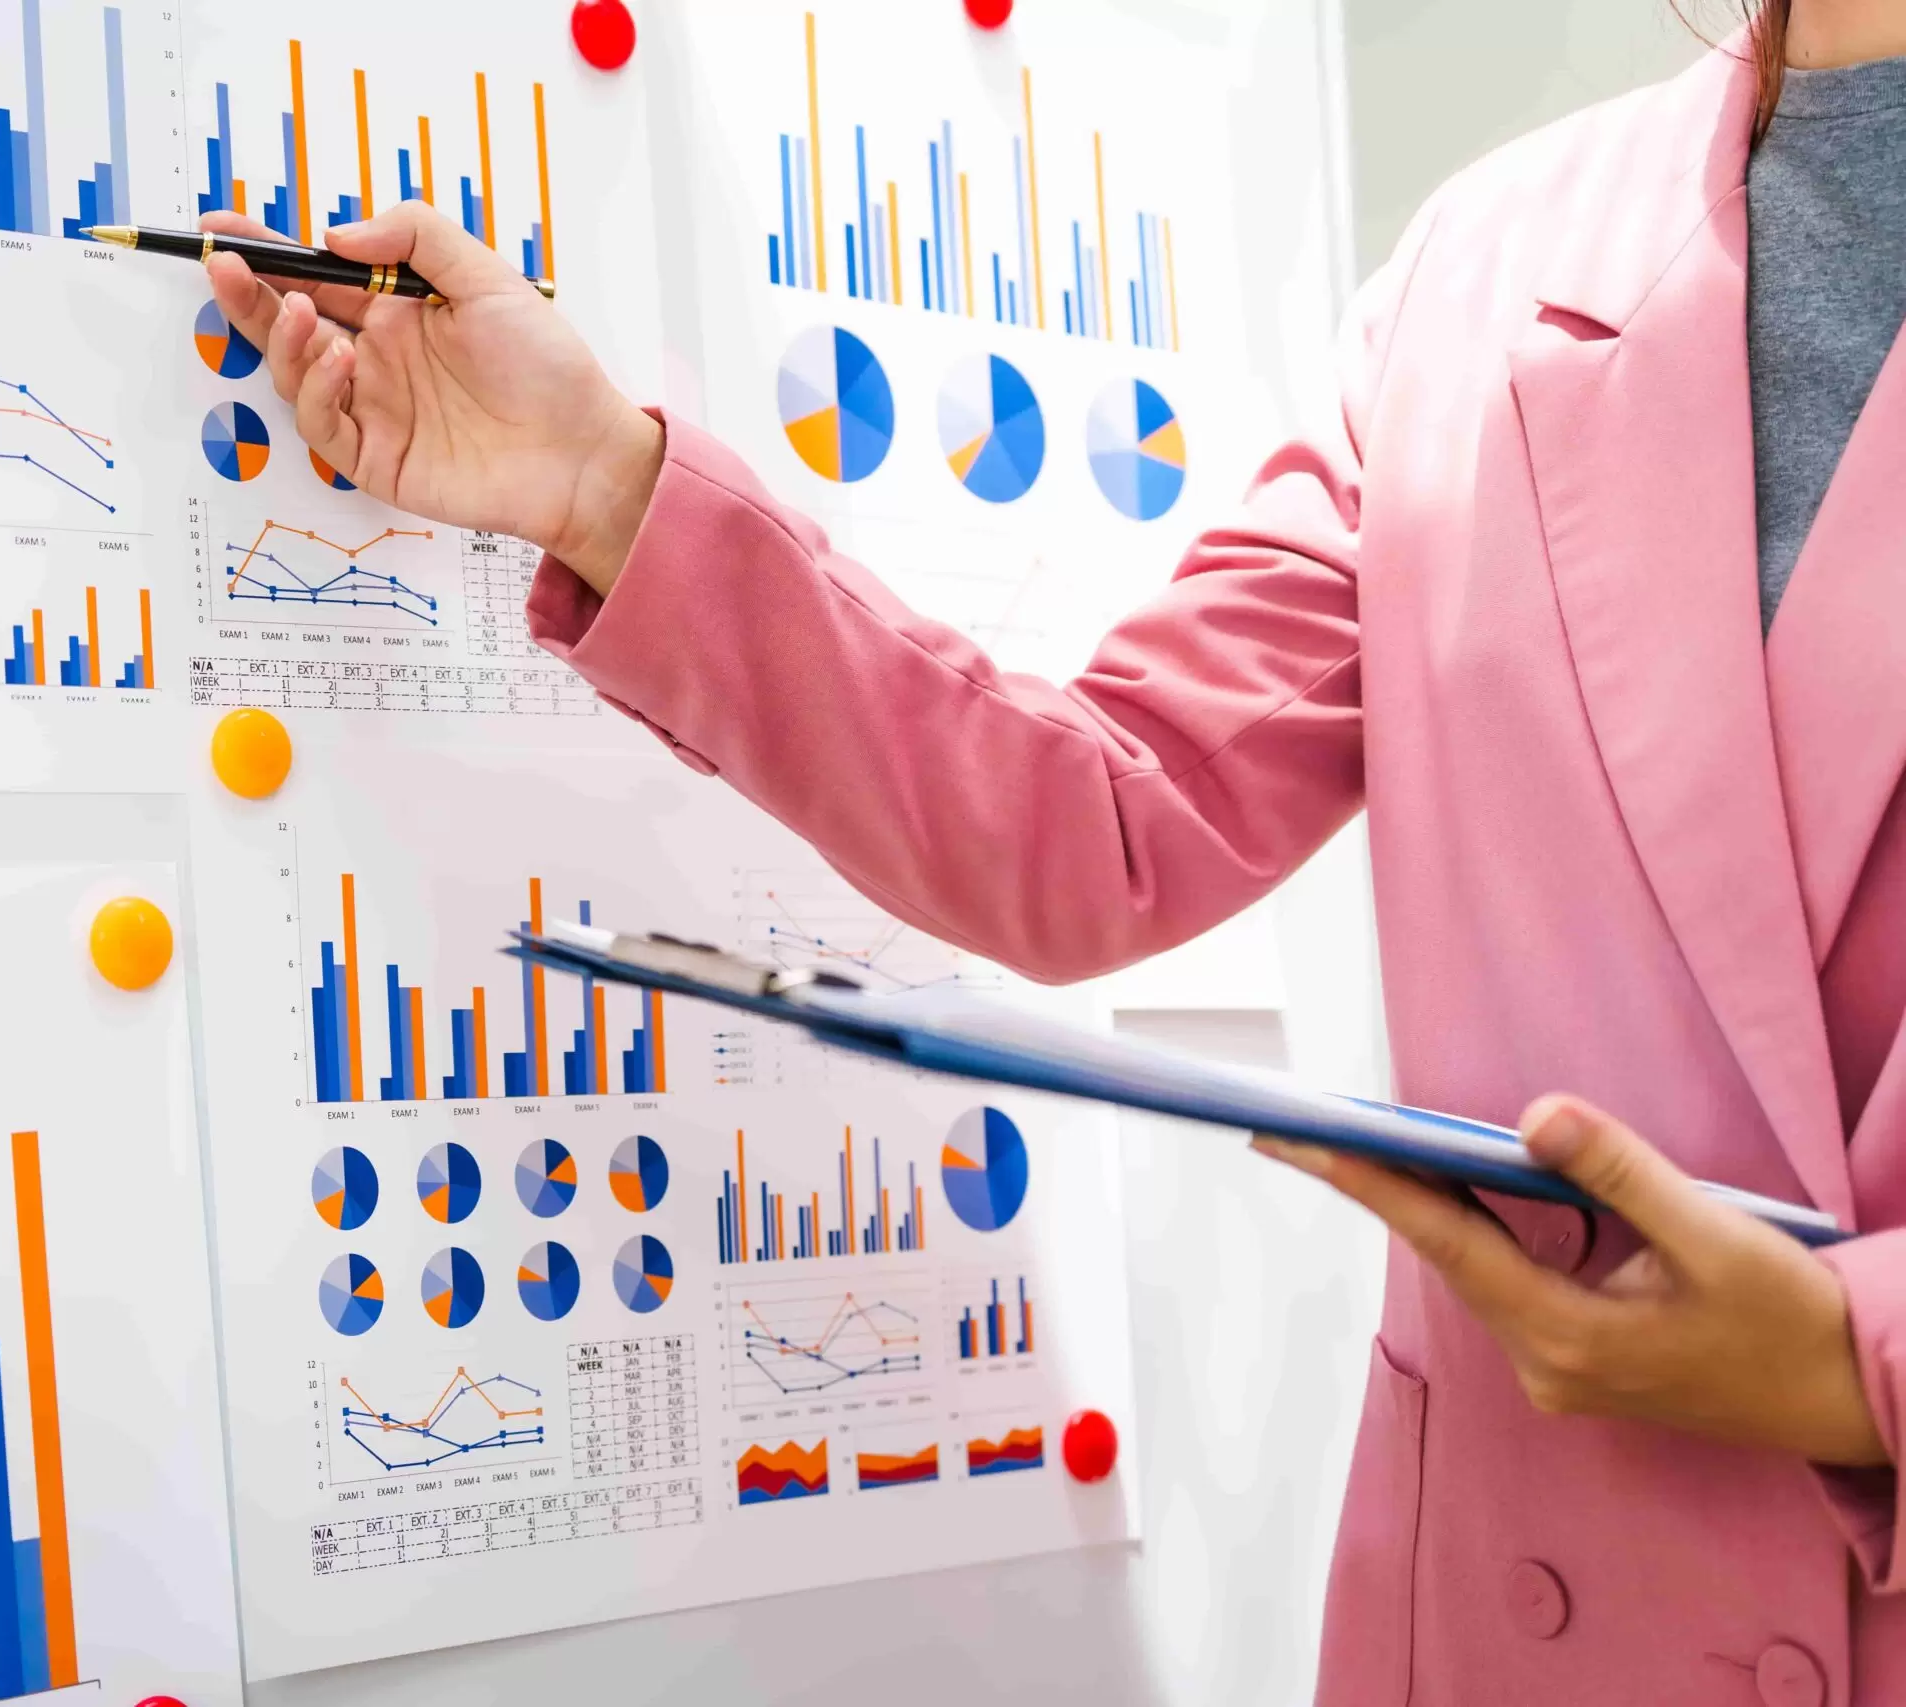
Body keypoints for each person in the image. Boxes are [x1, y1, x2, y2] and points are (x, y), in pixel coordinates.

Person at [198, 0, 1906, 1697]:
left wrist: (1863, 1362)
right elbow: (1097, 821)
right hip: (1522, 1614)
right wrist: (599, 483)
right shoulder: (1489, 266)